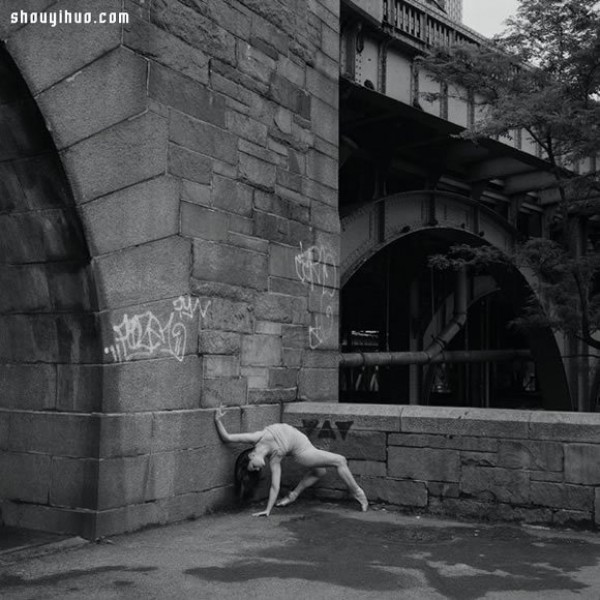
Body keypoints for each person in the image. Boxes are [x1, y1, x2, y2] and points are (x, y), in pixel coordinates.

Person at [214, 407, 368, 517]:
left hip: (306, 444)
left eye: (253, 466)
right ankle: (358, 492)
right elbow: (275, 486)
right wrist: (268, 510)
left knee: (320, 472)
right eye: (255, 470)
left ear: (251, 455)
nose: (257, 469)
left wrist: (218, 419)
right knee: (340, 460)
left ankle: (293, 495)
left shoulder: (258, 437)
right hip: (303, 452)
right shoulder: (275, 459)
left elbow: (228, 437)